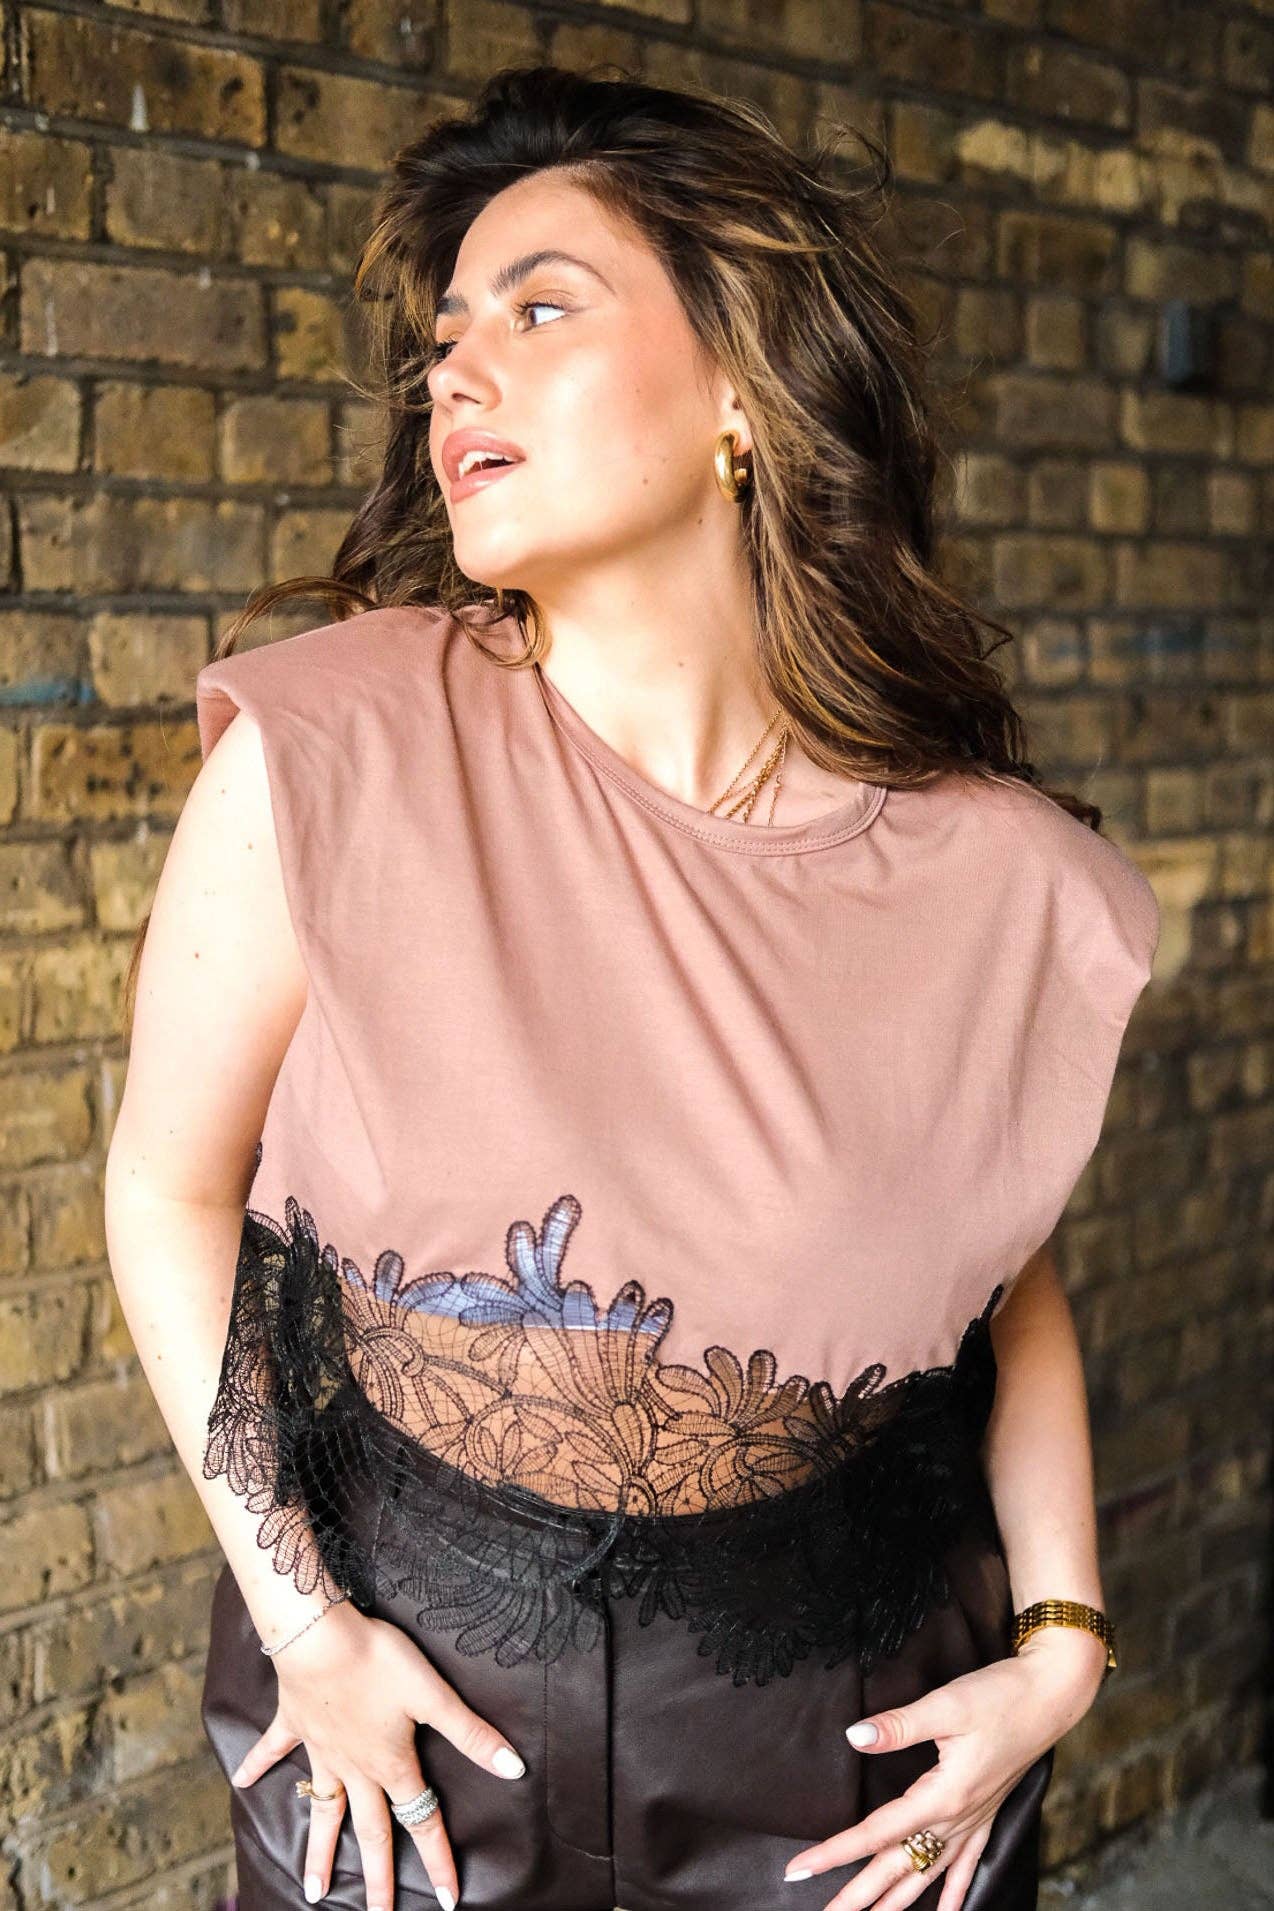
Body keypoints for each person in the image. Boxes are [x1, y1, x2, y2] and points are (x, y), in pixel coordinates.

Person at [105, 63, 1159, 1911]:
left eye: (540, 309)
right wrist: (305, 1627)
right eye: (447, 334)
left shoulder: (998, 876)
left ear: (745, 387)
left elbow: (1002, 1286)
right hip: (399, 1723)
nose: (456, 372)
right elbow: (166, 1188)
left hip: (843, 1750)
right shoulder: (332, 748)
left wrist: (1061, 1647)